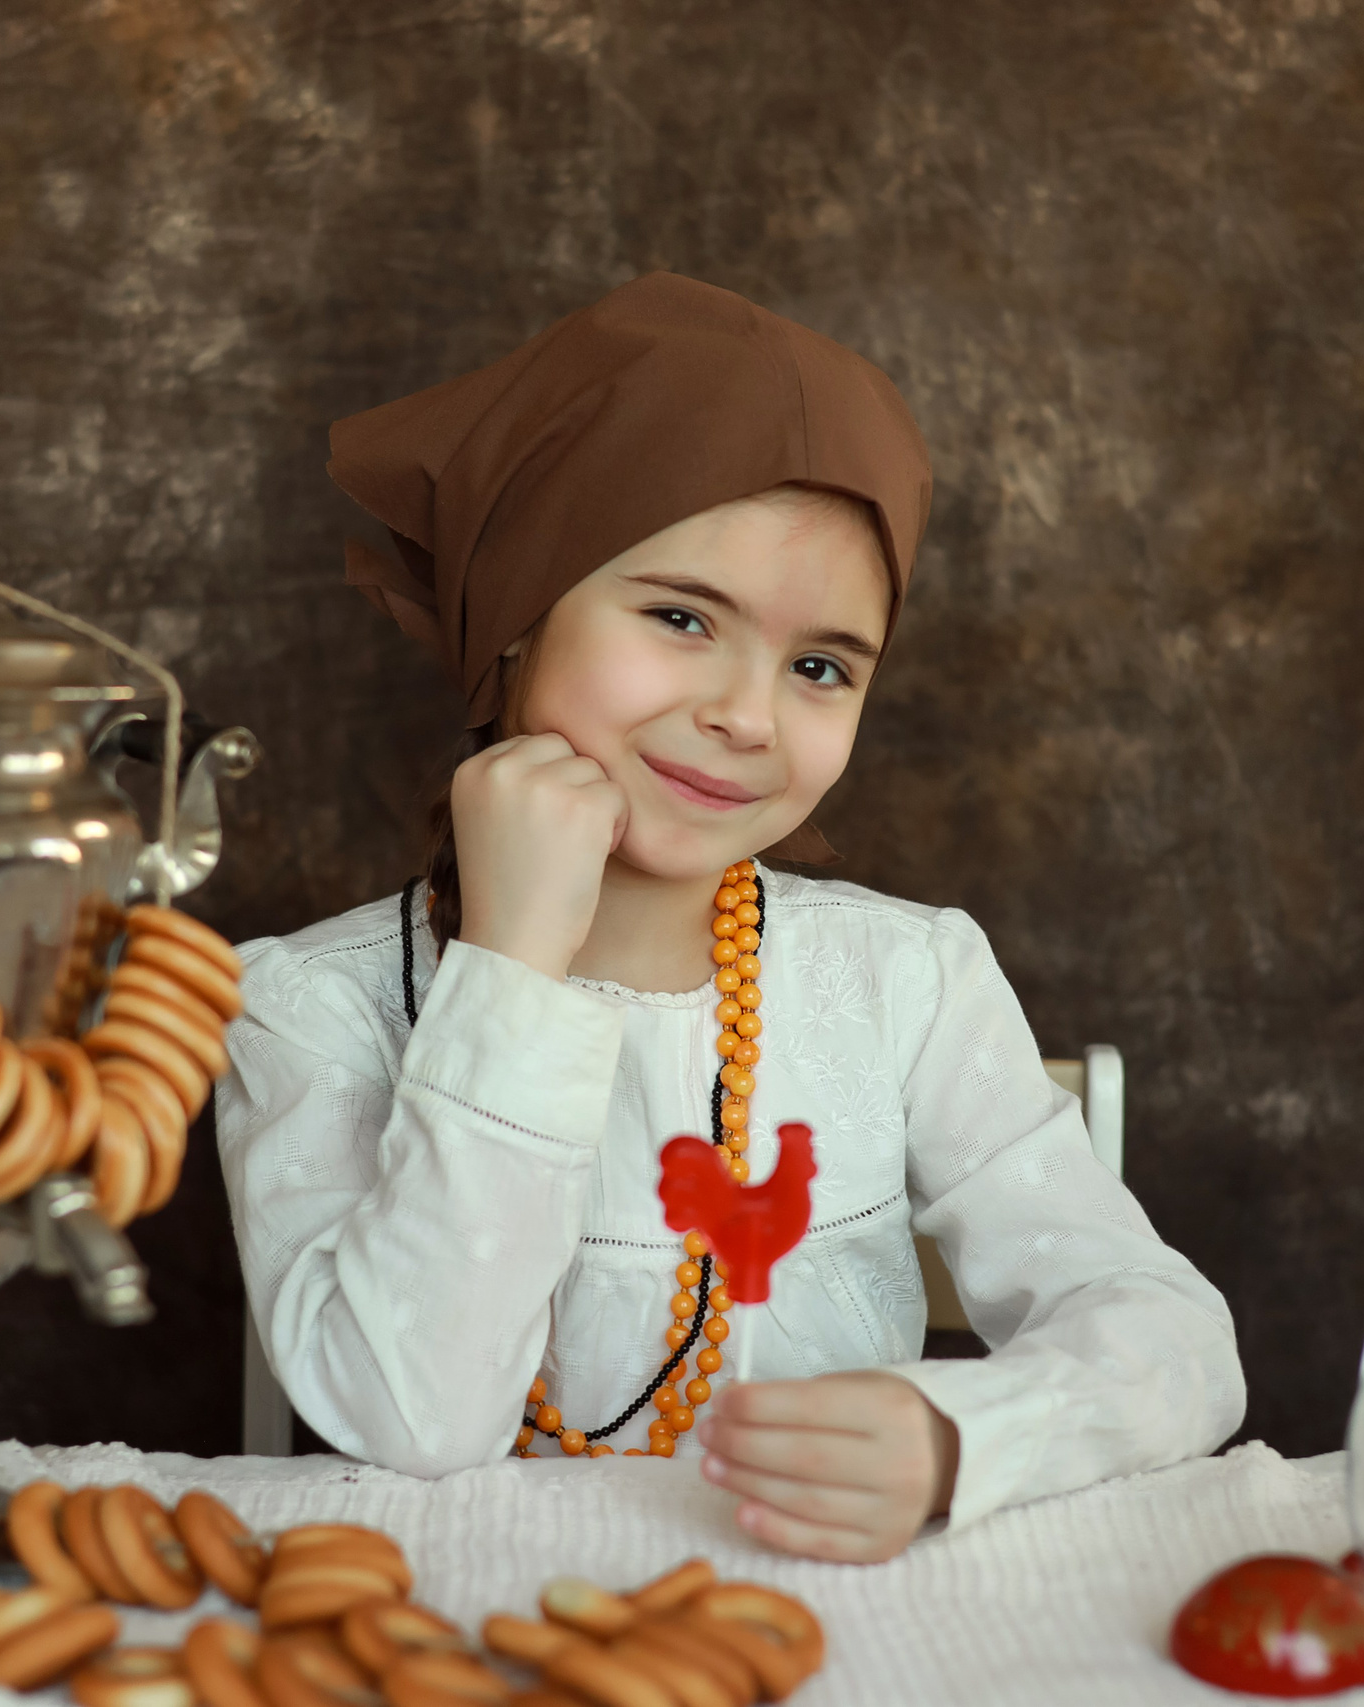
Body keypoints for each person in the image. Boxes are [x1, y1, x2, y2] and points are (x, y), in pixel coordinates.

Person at [217, 272, 1243, 1563]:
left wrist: (957, 1435)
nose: (749, 716)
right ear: (516, 617)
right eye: (682, 618)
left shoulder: (905, 984)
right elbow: (417, 1418)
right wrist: (513, 970)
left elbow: (1175, 1339)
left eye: (819, 667)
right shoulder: (307, 1010)